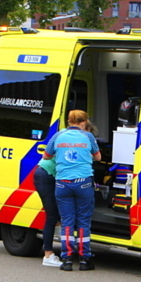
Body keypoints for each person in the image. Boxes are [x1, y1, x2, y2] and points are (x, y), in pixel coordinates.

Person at [43, 110, 100, 271]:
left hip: (62, 183)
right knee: (83, 221)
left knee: (67, 221)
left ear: (68, 121)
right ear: (84, 122)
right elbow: (98, 157)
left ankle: (66, 259)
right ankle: (84, 259)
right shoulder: (87, 136)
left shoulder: (58, 136)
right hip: (83, 183)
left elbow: (46, 156)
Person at [33, 155, 62, 267]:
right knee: (52, 217)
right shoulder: (69, 141)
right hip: (46, 175)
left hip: (48, 174)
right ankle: (48, 255)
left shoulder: (62, 138)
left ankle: (65, 244)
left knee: (57, 215)